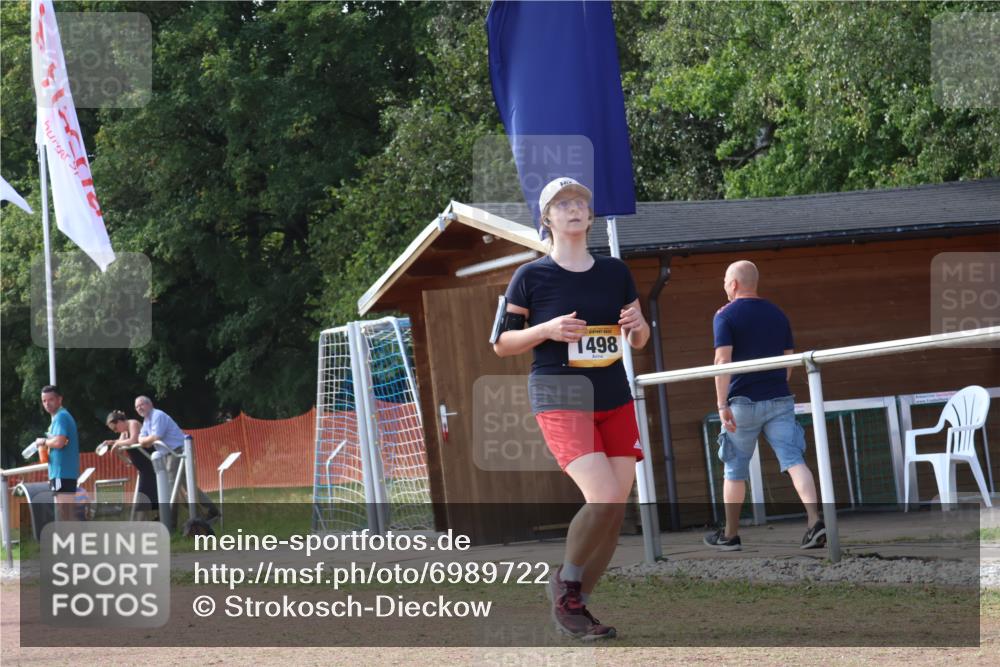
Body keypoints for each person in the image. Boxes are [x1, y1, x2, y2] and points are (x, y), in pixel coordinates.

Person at [493, 177, 650, 640]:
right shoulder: (530, 276)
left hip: (613, 394)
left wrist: (638, 325)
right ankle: (566, 585)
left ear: (591, 214)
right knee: (602, 496)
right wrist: (546, 330)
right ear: (547, 218)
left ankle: (576, 602)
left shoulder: (615, 272)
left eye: (580, 201)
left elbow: (638, 338)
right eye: (562, 204)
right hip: (561, 394)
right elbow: (501, 343)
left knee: (615, 511)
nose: (574, 208)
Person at [705, 260, 826, 551]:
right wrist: (774, 385)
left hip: (742, 403)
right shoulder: (777, 313)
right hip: (779, 399)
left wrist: (721, 404)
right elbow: (788, 361)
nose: (724, 285)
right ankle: (815, 521)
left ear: (734, 284)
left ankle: (730, 535)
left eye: (725, 280)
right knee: (794, 461)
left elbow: (722, 361)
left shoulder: (724, 315)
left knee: (734, 470)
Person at [134, 395, 219, 524]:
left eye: (141, 404)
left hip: (177, 451)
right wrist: (145, 440)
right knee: (186, 486)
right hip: (168, 453)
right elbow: (141, 439)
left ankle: (170, 521)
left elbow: (155, 437)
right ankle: (210, 512)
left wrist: (145, 441)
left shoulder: (158, 415)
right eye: (137, 407)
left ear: (149, 404)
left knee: (171, 486)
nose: (139, 408)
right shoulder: (147, 421)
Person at [33, 385, 80, 520]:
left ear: (60, 399)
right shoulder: (60, 417)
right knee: (66, 514)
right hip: (62, 472)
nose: (47, 403)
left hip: (62, 472)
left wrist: (43, 442)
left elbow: (59, 442)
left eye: (51, 399)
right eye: (44, 401)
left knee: (66, 515)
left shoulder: (61, 417)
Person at [102, 410, 159, 519]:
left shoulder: (133, 423)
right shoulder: (124, 433)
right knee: (147, 498)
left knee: (143, 499)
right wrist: (112, 443)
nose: (115, 431)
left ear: (119, 422)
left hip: (152, 467)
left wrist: (117, 444)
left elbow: (133, 440)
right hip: (144, 470)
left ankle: (141, 525)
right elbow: (121, 445)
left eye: (115, 428)